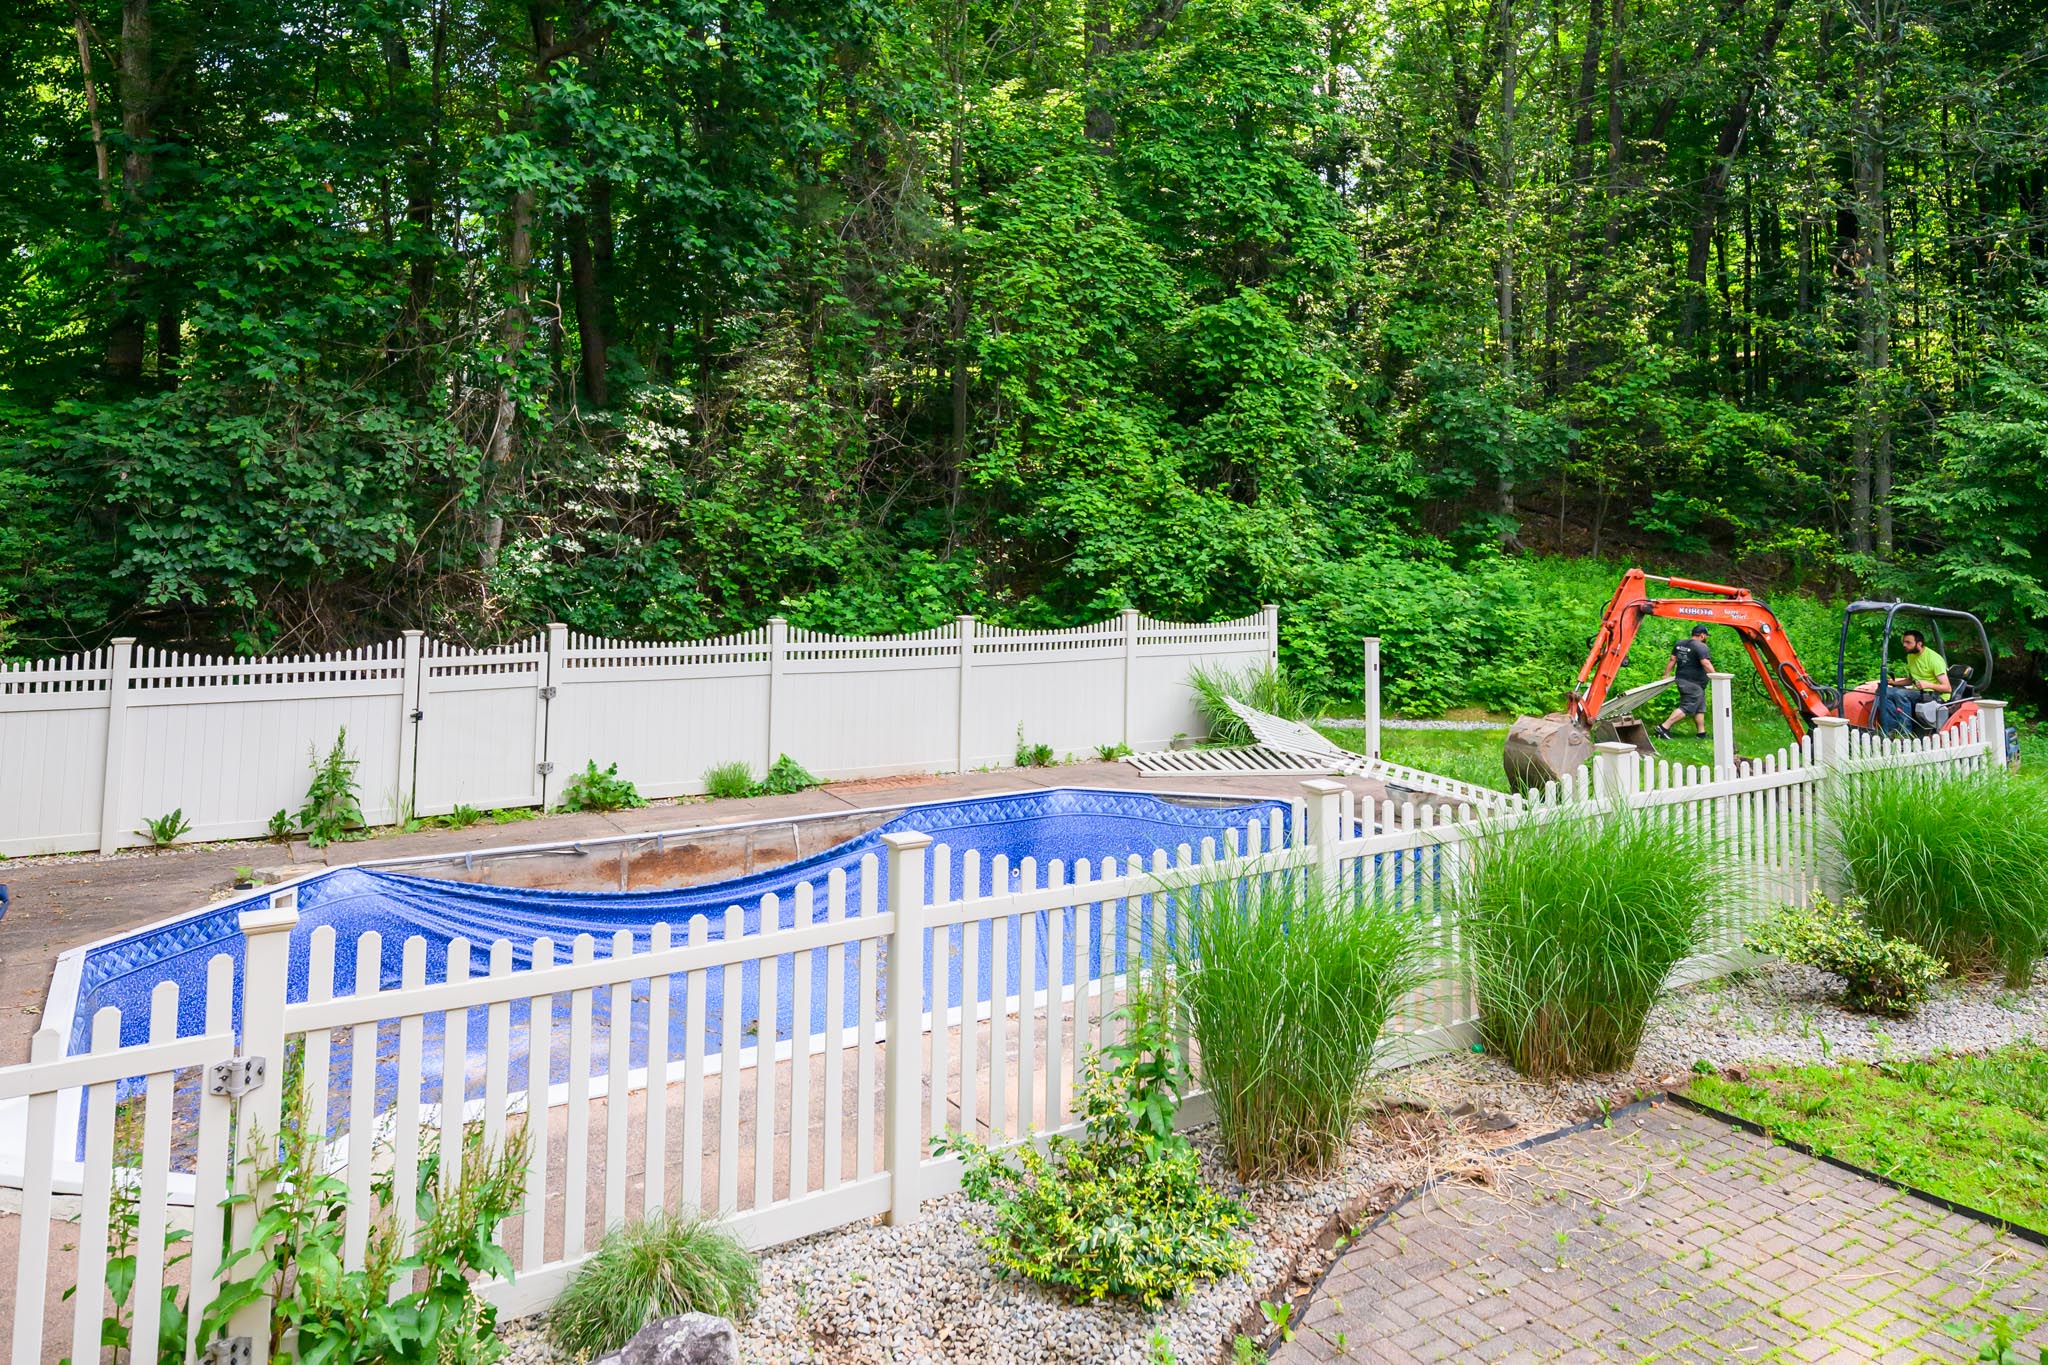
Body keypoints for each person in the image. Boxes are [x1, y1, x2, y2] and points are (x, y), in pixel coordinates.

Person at [1876, 628, 1951, 735]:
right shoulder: (1911, 656)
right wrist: (1894, 683)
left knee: (1900, 694)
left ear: (1919, 643)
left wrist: (1928, 684)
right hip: (1919, 692)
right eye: (1904, 642)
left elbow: (1947, 688)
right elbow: (1911, 680)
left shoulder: (1934, 659)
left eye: (1908, 642)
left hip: (1935, 695)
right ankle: (1893, 728)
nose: (1904, 645)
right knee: (1882, 692)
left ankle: (1906, 734)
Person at [1653, 625, 1713, 741]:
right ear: (1702, 635)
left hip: (1686, 680)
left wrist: (1666, 675)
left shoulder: (1680, 644)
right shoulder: (1701, 646)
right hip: (1692, 683)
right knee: (1687, 707)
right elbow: (1705, 663)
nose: (1706, 638)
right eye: (1705, 636)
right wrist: (1716, 676)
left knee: (1699, 707)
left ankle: (1701, 733)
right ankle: (1663, 727)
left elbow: (1672, 659)